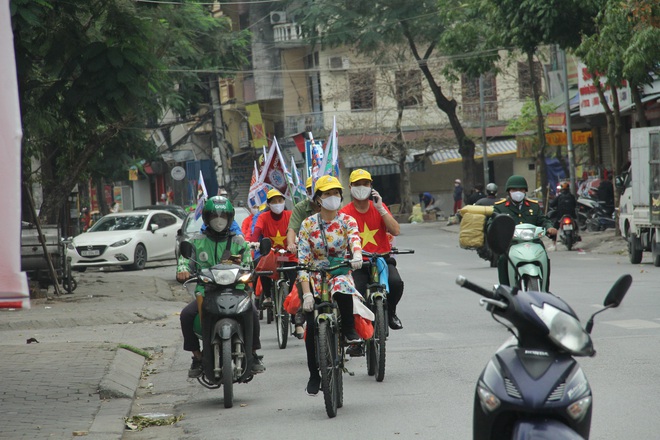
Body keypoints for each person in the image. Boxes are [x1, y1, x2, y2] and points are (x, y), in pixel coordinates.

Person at [176, 196, 265, 378]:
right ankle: (198, 356)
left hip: (237, 290)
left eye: (223, 216)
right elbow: (184, 260)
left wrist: (252, 271)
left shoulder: (239, 241)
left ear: (230, 218)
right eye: (214, 216)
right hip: (206, 291)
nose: (219, 221)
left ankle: (253, 354)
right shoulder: (197, 241)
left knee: (253, 313)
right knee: (186, 315)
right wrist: (183, 269)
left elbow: (248, 262)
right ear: (206, 218)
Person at [297, 175, 367, 395]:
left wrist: (356, 255)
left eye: (335, 193)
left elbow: (355, 240)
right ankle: (313, 374)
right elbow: (302, 261)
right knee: (310, 323)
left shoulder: (347, 221)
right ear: (318, 199)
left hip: (340, 270)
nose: (332, 197)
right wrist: (307, 295)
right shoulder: (307, 224)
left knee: (342, 287)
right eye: (327, 194)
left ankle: (348, 329)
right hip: (314, 276)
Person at [341, 169, 405, 330]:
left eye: (365, 184)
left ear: (371, 186)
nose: (362, 187)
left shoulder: (379, 206)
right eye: (357, 184)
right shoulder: (344, 213)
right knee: (356, 291)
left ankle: (391, 313)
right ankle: (358, 328)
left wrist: (381, 210)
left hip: (382, 259)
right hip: (357, 263)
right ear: (350, 187)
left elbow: (395, 230)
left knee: (396, 283)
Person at [493, 175, 556, 286]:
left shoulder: (534, 206)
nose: (518, 192)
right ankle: (505, 291)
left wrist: (549, 228)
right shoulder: (500, 207)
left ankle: (545, 288)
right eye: (514, 190)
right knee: (503, 259)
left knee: (544, 258)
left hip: (533, 242)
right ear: (509, 191)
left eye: (521, 189)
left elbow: (543, 220)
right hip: (511, 244)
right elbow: (492, 223)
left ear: (525, 191)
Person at [251, 189, 297, 311]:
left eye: (280, 200)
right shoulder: (263, 217)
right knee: (263, 268)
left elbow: (297, 228)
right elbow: (257, 230)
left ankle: (292, 300)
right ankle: (267, 296)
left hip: (288, 254)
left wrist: (295, 242)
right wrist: (254, 242)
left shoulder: (290, 214)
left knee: (294, 276)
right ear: (269, 204)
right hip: (271, 254)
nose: (278, 203)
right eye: (274, 201)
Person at [548, 181, 578, 248]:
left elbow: (552, 204)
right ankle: (577, 235)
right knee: (576, 225)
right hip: (571, 215)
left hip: (561, 215)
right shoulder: (572, 196)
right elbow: (576, 205)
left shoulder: (559, 197)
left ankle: (553, 244)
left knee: (554, 229)